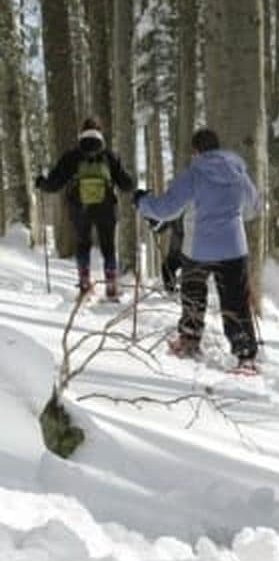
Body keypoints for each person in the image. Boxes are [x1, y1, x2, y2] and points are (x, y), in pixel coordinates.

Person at [134, 128, 261, 371]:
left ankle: (189, 340)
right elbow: (253, 208)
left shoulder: (193, 175)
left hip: (198, 248)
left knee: (193, 294)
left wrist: (142, 202)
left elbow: (166, 209)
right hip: (234, 248)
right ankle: (245, 356)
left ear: (196, 151)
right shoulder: (238, 173)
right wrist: (230, 216)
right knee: (236, 302)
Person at [35, 117, 134, 299]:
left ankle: (84, 284)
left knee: (83, 244)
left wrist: (41, 183)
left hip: (79, 207)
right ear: (100, 132)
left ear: (81, 133)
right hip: (105, 207)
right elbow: (127, 185)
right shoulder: (109, 156)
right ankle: (111, 286)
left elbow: (54, 184)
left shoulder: (72, 156)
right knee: (108, 247)